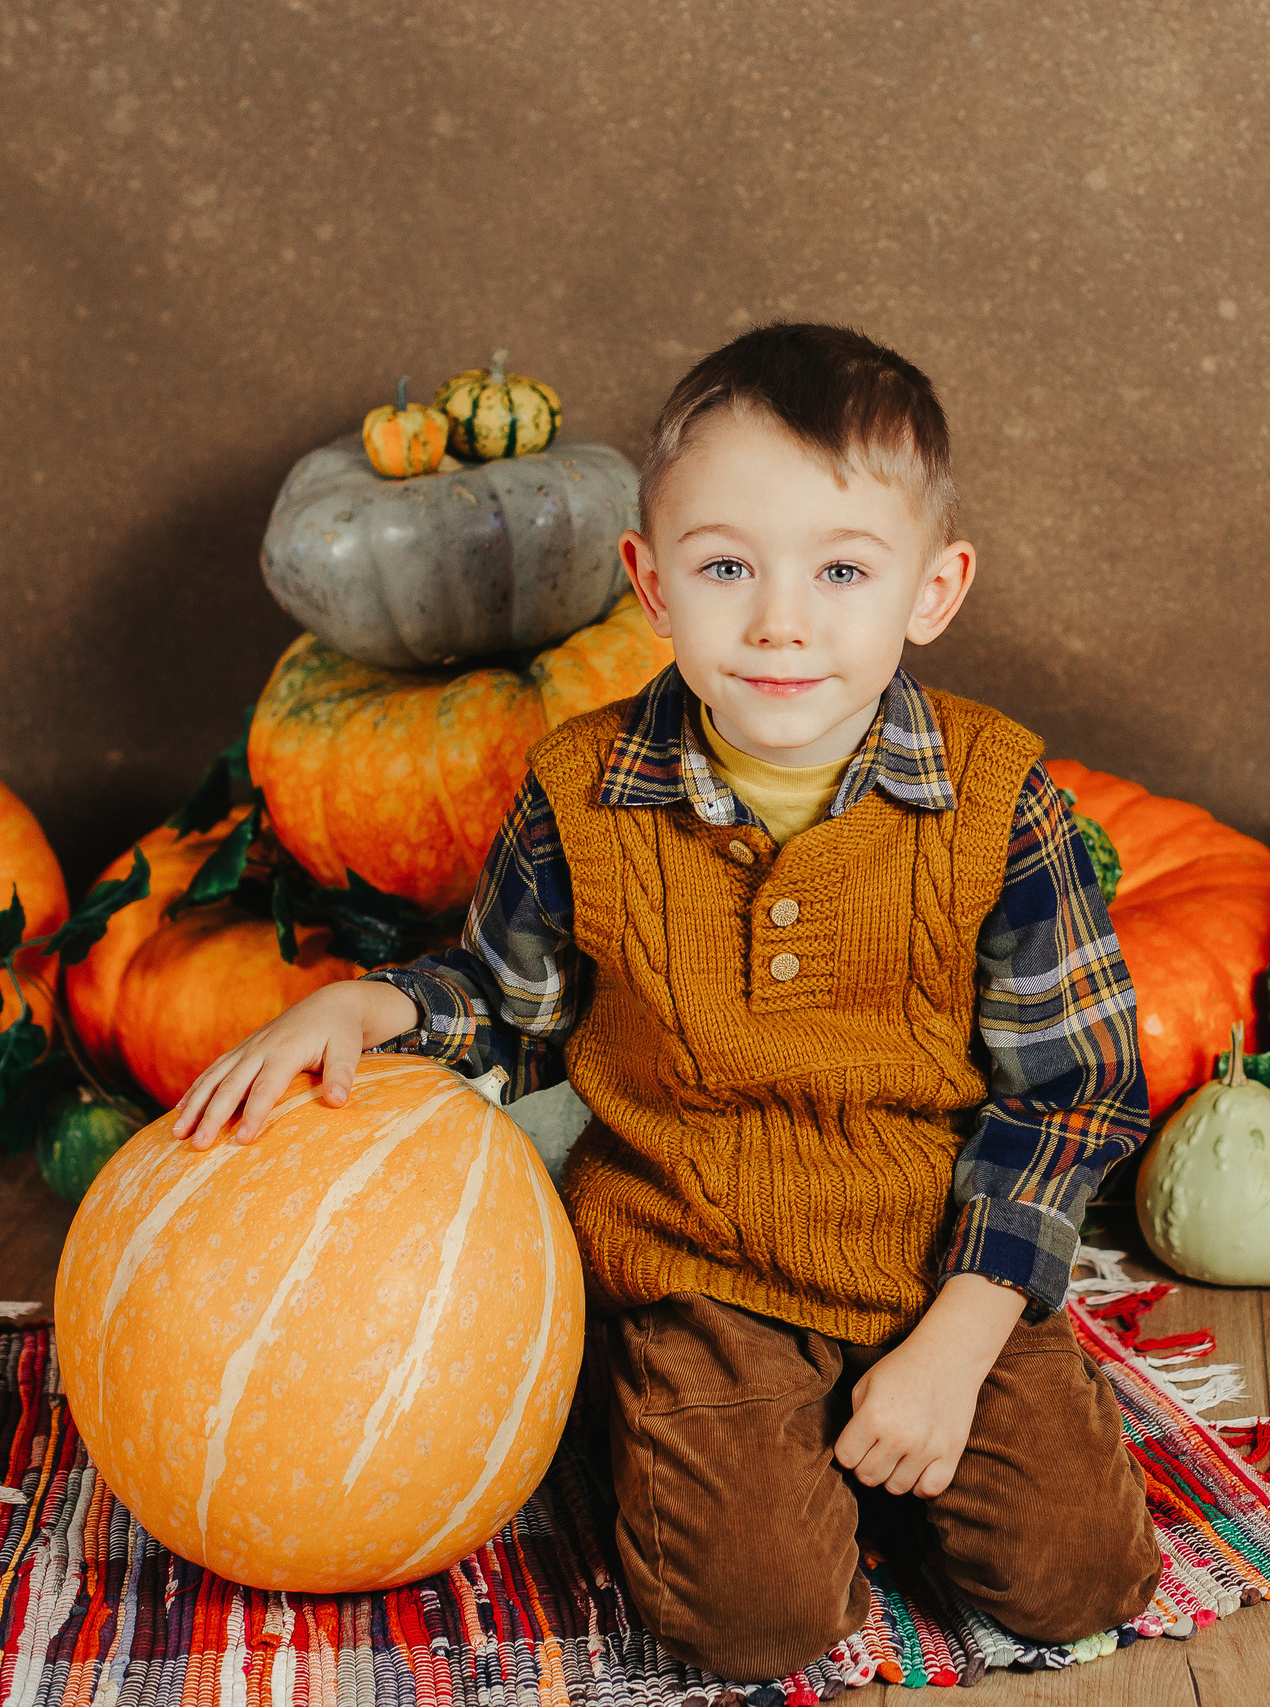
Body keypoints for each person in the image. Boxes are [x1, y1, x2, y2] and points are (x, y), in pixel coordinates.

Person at [171, 322, 1161, 1680]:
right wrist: (367, 1010)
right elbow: (504, 999)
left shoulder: (1001, 804)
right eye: (727, 567)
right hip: (697, 1265)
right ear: (650, 581)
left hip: (940, 1259)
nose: (781, 621)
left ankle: (882, 1432)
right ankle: (656, 1420)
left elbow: (1073, 1097)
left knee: (1078, 1578)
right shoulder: (585, 791)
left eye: (843, 571)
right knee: (758, 1625)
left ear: (934, 590)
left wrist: (962, 1341)